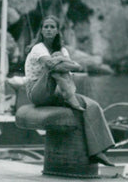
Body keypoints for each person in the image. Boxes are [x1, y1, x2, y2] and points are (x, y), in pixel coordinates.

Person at [24, 16, 115, 166]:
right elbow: (55, 66)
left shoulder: (63, 50)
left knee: (91, 105)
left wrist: (66, 63)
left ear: (58, 31)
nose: (48, 30)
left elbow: (69, 69)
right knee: (54, 64)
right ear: (41, 30)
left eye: (52, 27)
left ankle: (98, 151)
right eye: (45, 27)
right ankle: (69, 97)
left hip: (59, 90)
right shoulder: (38, 48)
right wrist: (71, 64)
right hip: (37, 91)